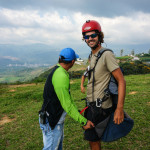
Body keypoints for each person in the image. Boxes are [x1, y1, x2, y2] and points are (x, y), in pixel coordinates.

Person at [82, 20, 126, 150]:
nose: (90, 38)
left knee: (93, 139)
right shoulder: (93, 54)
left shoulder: (106, 54)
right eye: (86, 36)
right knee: (93, 139)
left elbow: (121, 81)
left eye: (93, 35)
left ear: (100, 36)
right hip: (92, 105)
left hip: (100, 107)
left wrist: (119, 109)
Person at [39, 47, 94, 150]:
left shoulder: (60, 71)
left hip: (54, 120)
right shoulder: (61, 76)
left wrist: (78, 114)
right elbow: (67, 104)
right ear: (72, 61)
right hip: (52, 122)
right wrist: (83, 121)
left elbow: (68, 99)